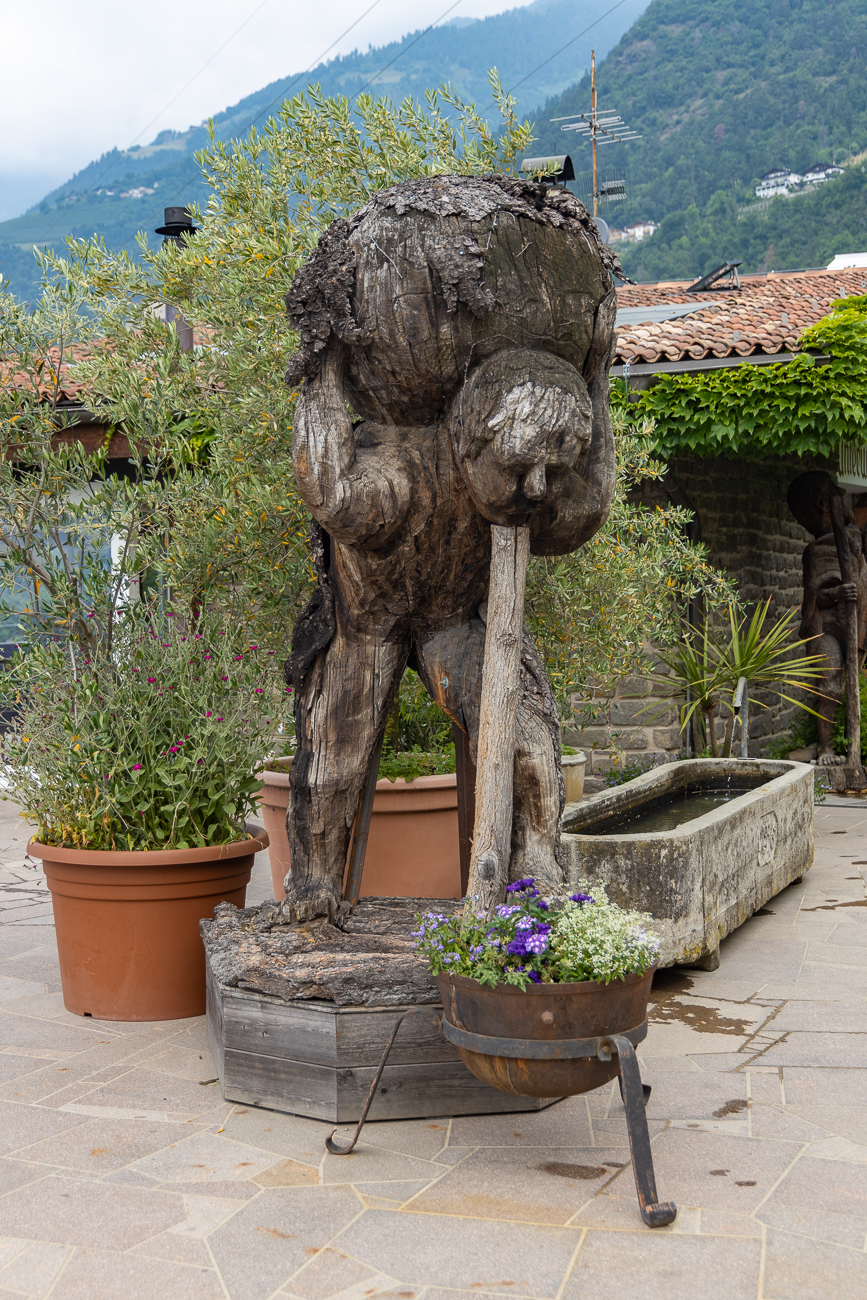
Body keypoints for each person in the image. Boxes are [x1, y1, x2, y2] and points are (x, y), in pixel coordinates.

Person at [787, 471, 867, 765]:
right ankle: (826, 748)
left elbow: (861, 582)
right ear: (823, 505)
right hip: (826, 630)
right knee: (830, 685)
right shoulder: (814, 552)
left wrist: (854, 591)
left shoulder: (853, 541)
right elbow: (813, 596)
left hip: (851, 623)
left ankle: (854, 749)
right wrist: (833, 593)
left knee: (852, 687)